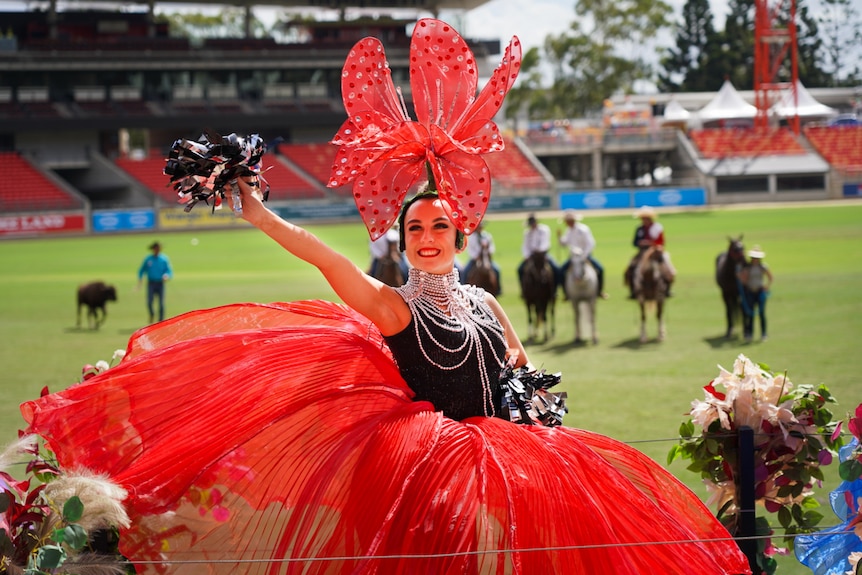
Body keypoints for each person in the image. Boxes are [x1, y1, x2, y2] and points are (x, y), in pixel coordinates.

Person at [20, 18, 749, 575]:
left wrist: (539, 419)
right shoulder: (393, 307)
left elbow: (524, 379)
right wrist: (259, 212)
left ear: (459, 236)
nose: (429, 235)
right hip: (436, 484)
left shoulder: (489, 305)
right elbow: (324, 256)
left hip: (528, 473)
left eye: (440, 225)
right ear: (401, 240)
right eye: (416, 228)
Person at [625, 205, 676, 298]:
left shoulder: (657, 228)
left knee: (669, 269)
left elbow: (661, 242)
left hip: (656, 252)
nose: (644, 220)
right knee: (630, 267)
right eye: (642, 218)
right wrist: (640, 243)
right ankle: (633, 290)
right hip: (642, 252)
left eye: (646, 218)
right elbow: (634, 242)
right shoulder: (639, 229)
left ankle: (667, 289)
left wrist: (650, 243)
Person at [557, 210, 607, 299]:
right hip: (573, 257)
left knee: (600, 269)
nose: (567, 223)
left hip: (585, 256)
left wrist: (584, 256)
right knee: (561, 271)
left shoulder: (583, 229)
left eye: (568, 221)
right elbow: (564, 243)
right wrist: (559, 238)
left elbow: (591, 244)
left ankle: (599, 291)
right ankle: (566, 293)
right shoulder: (568, 231)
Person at [517, 214, 560, 297]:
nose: (532, 225)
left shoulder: (544, 230)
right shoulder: (527, 233)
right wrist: (527, 255)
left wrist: (540, 252)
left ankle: (554, 290)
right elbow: (525, 246)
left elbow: (546, 243)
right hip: (531, 256)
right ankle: (524, 290)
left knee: (556, 268)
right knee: (520, 269)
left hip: (543, 255)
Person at [738, 244, 773, 342]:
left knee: (761, 313)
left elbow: (770, 277)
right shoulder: (748, 268)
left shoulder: (763, 267)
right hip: (750, 292)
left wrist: (767, 286)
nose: (755, 259)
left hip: (760, 291)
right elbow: (744, 280)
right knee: (750, 314)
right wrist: (740, 277)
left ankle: (764, 334)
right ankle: (750, 334)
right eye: (754, 257)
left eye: (757, 257)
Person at [136, 240, 172, 323]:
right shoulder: (148, 259)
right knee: (149, 302)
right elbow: (142, 270)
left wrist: (166, 275)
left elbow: (169, 271)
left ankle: (161, 320)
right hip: (151, 283)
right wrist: (140, 279)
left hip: (160, 283)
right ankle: (152, 314)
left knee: (161, 303)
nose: (157, 250)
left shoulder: (164, 259)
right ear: (153, 249)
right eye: (155, 248)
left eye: (158, 248)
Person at [462, 221, 501, 295]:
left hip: (486, 259)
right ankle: (463, 289)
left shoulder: (487, 236)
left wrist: (488, 250)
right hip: (475, 260)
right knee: (465, 271)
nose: (480, 227)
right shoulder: (471, 237)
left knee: (497, 270)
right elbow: (470, 250)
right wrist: (477, 256)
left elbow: (492, 248)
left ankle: (498, 289)